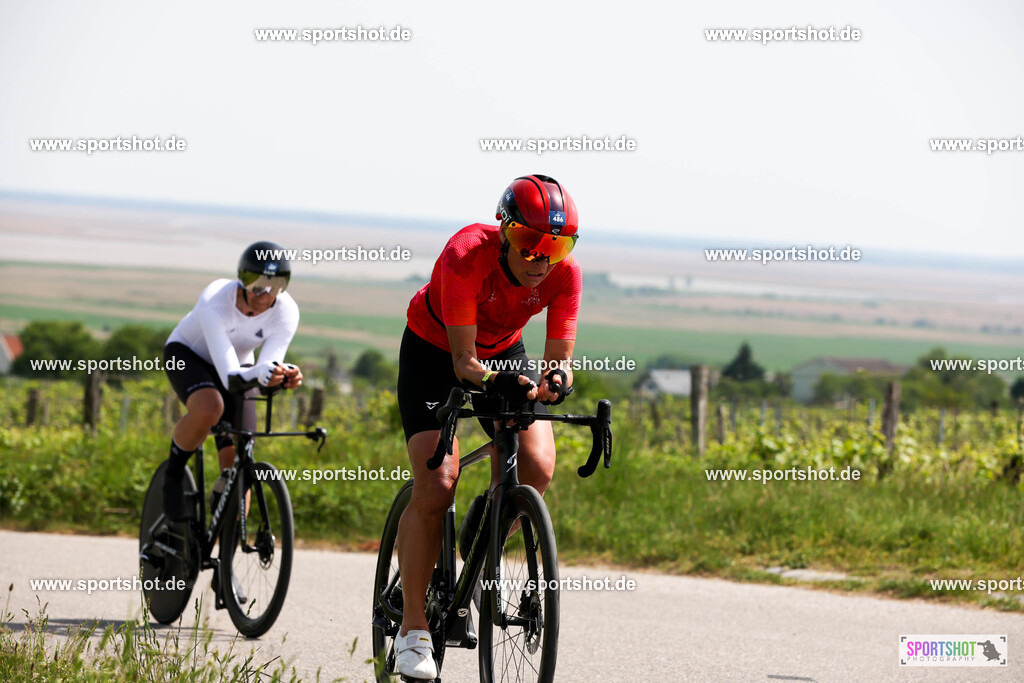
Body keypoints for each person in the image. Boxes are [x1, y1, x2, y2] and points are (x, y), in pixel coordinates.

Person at [393, 174, 583, 679]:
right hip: (438, 353)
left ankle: (482, 542)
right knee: (437, 483)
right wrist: (508, 382)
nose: (541, 259)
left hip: (502, 352)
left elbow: (558, 360)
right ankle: (413, 631)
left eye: (556, 246)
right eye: (530, 243)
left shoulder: (565, 276)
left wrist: (555, 379)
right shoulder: (466, 255)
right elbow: (463, 362)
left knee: (538, 465)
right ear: (505, 230)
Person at [161, 241, 303, 522]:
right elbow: (228, 377)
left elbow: (268, 364)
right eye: (257, 285)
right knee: (210, 407)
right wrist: (262, 372)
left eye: (275, 287)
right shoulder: (215, 298)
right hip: (189, 354)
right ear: (242, 279)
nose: (265, 295)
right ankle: (173, 474)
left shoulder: (287, 311)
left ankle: (226, 544)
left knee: (242, 451)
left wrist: (281, 375)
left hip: (239, 365)